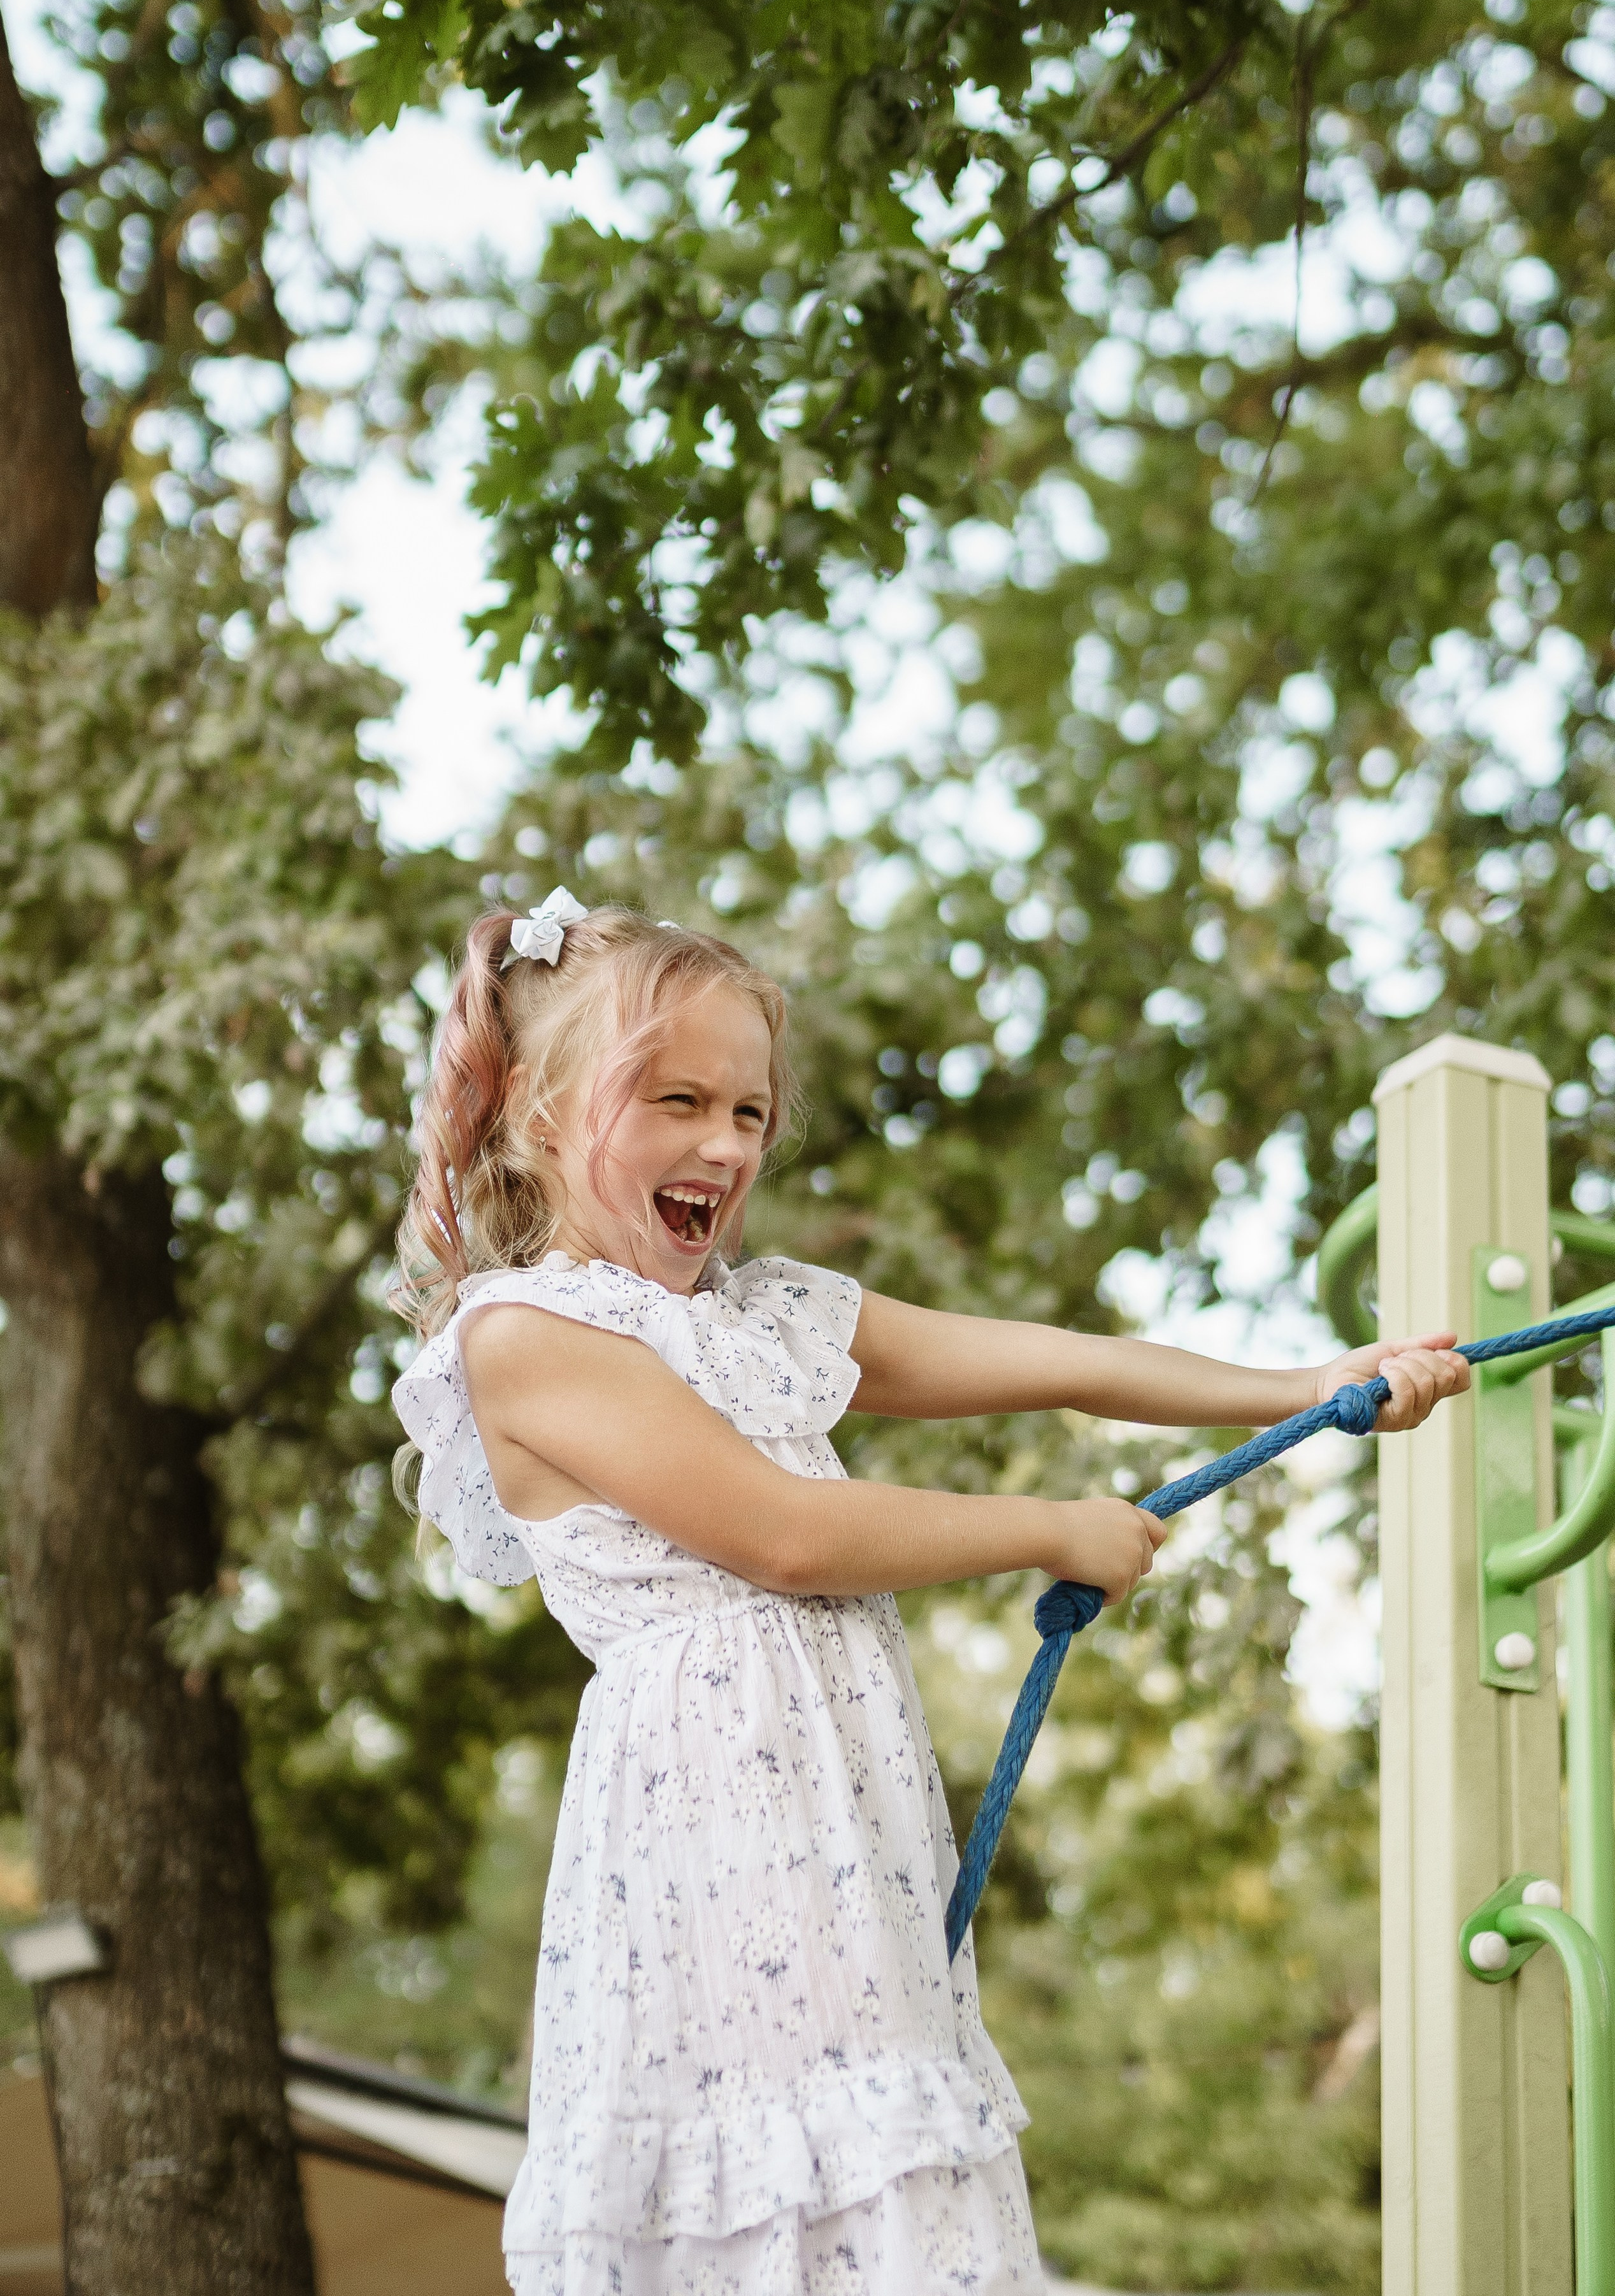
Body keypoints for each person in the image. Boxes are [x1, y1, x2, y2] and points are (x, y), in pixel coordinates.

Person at [391, 892, 1468, 2296]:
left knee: (880, 2174)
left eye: (750, 1113)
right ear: (537, 1108)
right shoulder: (527, 1335)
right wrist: (1048, 1527)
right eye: (676, 1099)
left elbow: (1058, 1357)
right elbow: (783, 1532)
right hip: (714, 1816)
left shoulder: (761, 1311)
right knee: (784, 2169)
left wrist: (1308, 1380)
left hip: (841, 1820)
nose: (724, 1141)